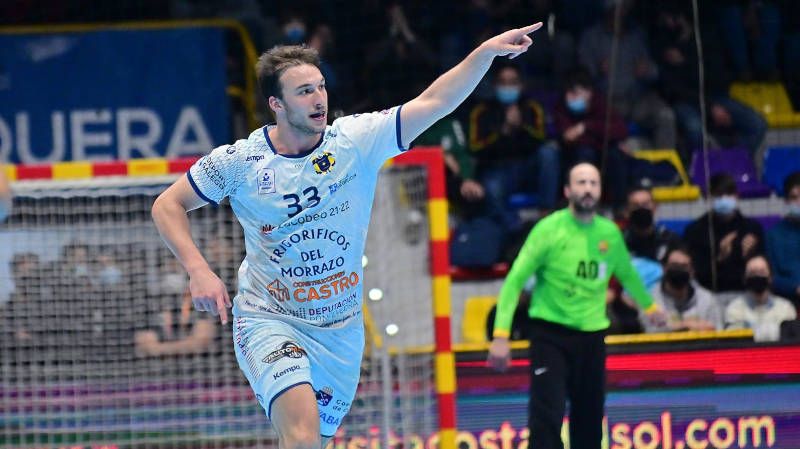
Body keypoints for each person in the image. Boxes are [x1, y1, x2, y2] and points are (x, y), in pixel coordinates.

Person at [151, 24, 545, 449]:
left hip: (340, 332)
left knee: (309, 443)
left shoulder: (355, 141)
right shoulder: (240, 162)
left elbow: (434, 101)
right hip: (270, 318)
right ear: (275, 104)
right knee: (301, 437)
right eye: (303, 92)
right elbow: (167, 205)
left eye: (320, 87)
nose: (319, 98)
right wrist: (198, 270)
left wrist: (484, 53)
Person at [487, 163, 665, 449]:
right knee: (547, 416)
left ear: (600, 192)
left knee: (590, 419)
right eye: (581, 183)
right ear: (568, 190)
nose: (587, 189)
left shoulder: (609, 233)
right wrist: (500, 335)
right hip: (550, 336)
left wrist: (650, 307)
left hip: (592, 338)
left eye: (593, 183)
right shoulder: (548, 230)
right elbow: (514, 281)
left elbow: (627, 274)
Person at [467, 64, 559, 218]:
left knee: (549, 153)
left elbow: (541, 139)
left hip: (528, 166)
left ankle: (546, 213)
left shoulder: (532, 107)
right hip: (498, 169)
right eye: (503, 82)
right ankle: (512, 228)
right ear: (495, 85)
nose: (508, 87)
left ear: (521, 85)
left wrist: (520, 126)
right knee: (492, 187)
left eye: (513, 82)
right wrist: (503, 130)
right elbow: (475, 149)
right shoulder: (481, 111)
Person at [554, 68, 632, 209]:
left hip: (603, 157)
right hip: (572, 157)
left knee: (616, 155)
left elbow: (621, 131)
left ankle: (620, 209)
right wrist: (598, 137)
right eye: (569, 93)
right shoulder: (561, 109)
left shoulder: (600, 105)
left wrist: (586, 127)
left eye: (576, 93)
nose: (571, 97)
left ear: (589, 92)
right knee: (585, 152)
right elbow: (567, 138)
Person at [684, 173, 764, 303]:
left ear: (737, 197)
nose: (724, 199)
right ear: (708, 198)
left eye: (728, 194)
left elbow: (765, 271)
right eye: (718, 195)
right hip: (710, 294)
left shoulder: (752, 228)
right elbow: (696, 275)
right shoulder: (695, 230)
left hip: (746, 294)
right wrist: (720, 258)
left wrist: (750, 256)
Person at [643, 246, 722, 333]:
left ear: (692, 271)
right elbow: (653, 332)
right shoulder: (650, 300)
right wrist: (686, 325)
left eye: (684, 266)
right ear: (664, 268)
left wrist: (675, 326)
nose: (679, 270)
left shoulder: (708, 300)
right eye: (674, 266)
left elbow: (716, 331)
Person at [725, 255, 796, 342]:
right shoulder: (734, 309)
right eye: (752, 273)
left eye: (762, 272)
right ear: (744, 278)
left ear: (770, 277)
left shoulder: (786, 308)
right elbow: (733, 340)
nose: (757, 276)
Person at [766, 172, 800, 306]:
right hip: (787, 302)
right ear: (786, 200)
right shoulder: (773, 235)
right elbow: (771, 278)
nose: (799, 202)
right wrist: (795, 288)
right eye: (794, 197)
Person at [622, 186, 682, 263]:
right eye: (635, 205)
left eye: (645, 204)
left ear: (655, 206)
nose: (641, 209)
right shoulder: (620, 241)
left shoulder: (669, 240)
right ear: (627, 210)